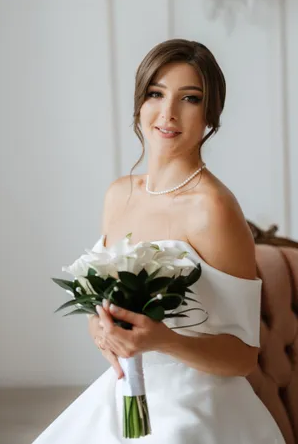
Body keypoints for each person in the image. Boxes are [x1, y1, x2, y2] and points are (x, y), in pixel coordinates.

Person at [32, 38, 286, 443]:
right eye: (156, 93)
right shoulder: (119, 194)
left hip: (198, 407)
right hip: (124, 394)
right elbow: (107, 302)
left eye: (190, 98)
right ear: (139, 102)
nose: (168, 113)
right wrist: (101, 330)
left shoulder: (213, 208)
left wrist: (164, 339)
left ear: (210, 115)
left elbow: (243, 357)